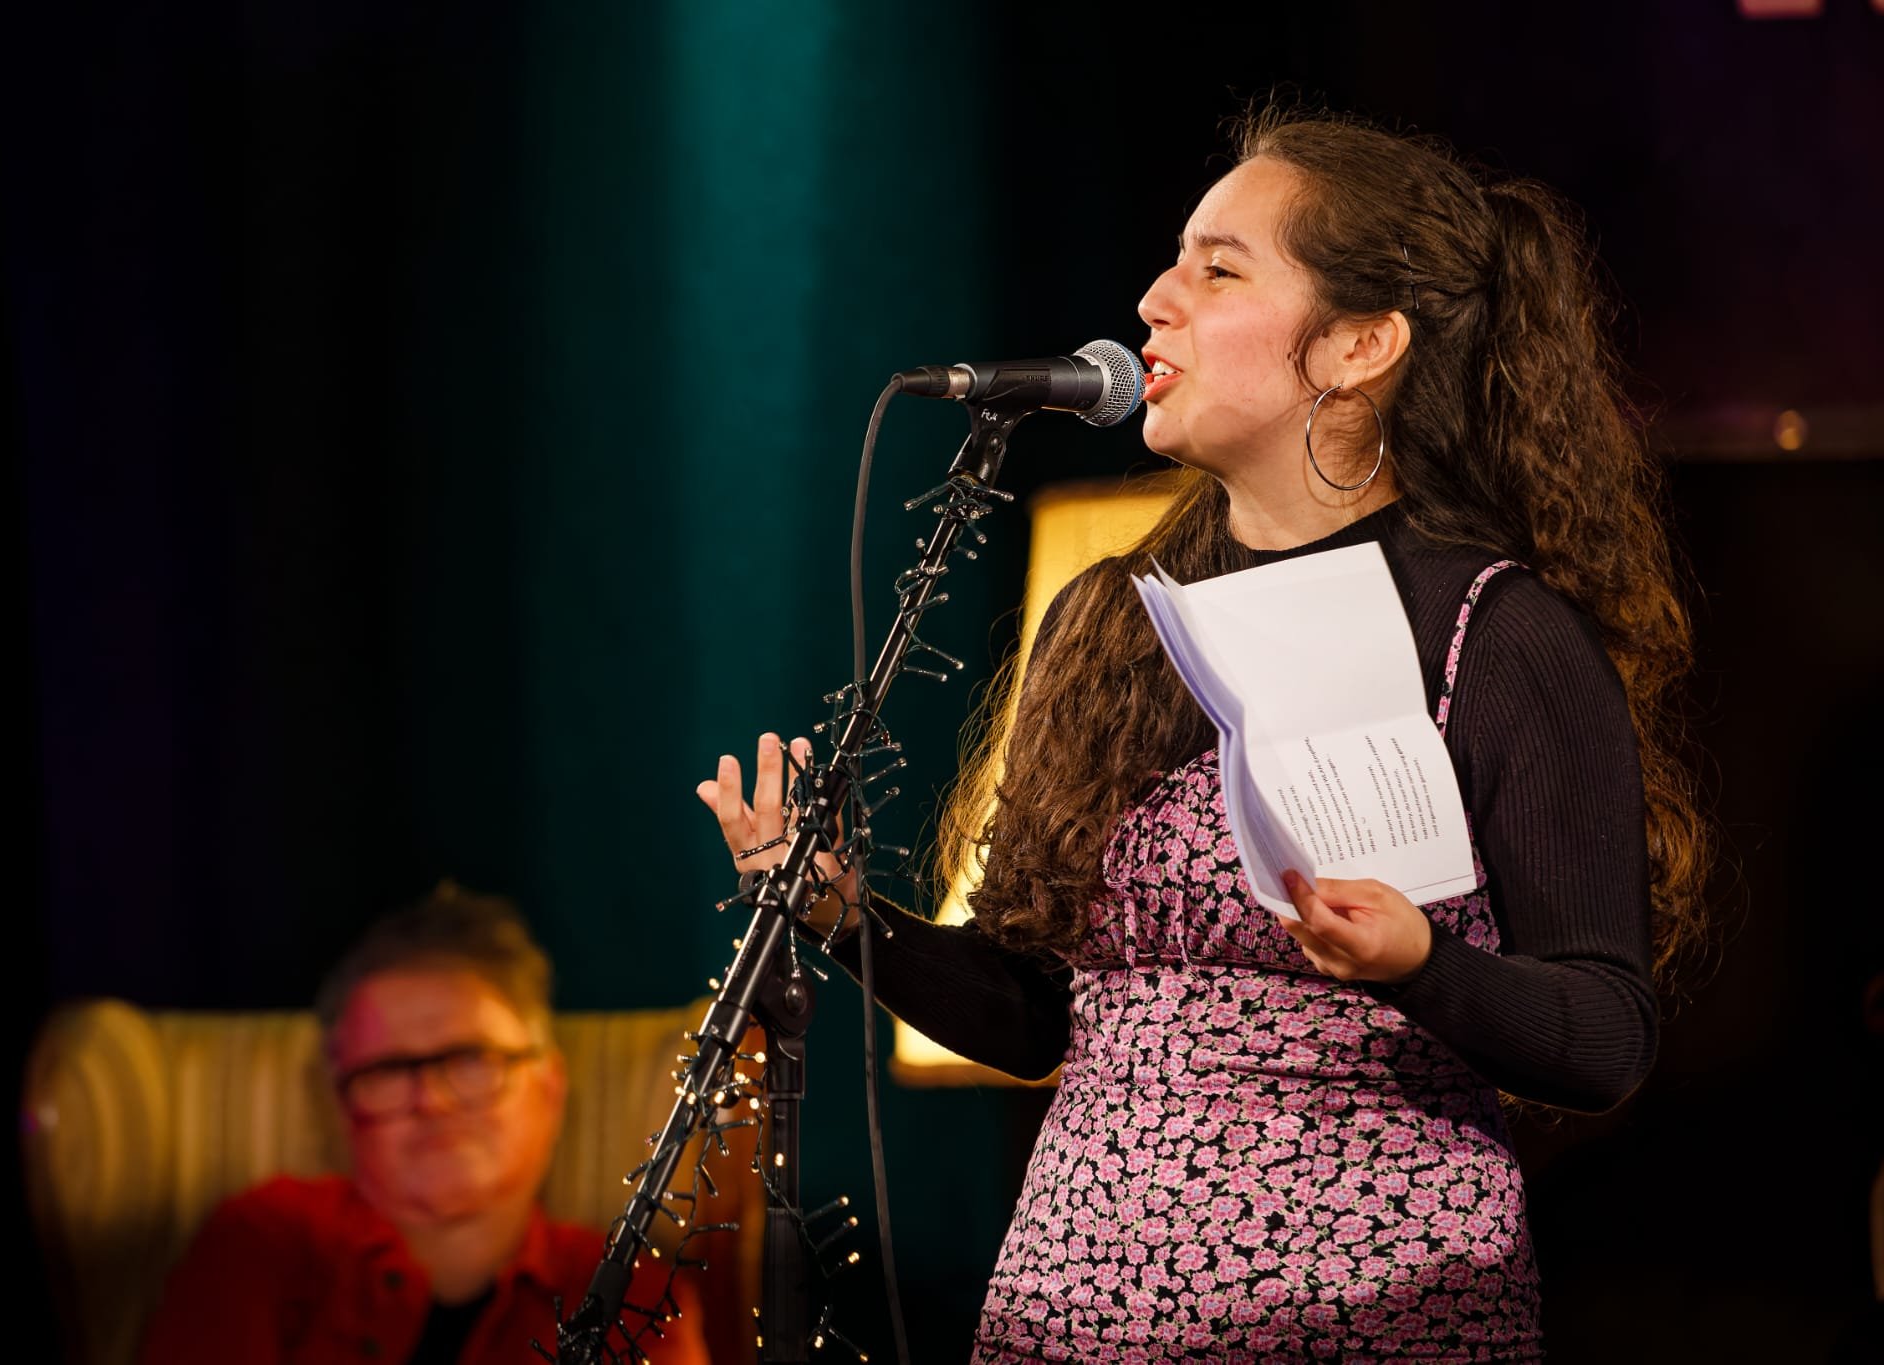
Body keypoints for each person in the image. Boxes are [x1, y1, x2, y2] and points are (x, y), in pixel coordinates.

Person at [700, 105, 1708, 1361]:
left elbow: (1604, 1037)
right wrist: (845, 914)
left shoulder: (1490, 635)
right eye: (1172, 261)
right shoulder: (1107, 622)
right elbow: (1042, 1016)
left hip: (1362, 1318)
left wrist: (1418, 963)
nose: (1151, 301)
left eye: (1217, 270)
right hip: (1068, 1315)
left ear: (1357, 345)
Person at [138, 883, 709, 1365]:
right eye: (387, 1069)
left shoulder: (632, 1291)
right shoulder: (260, 1245)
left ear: (549, 1088)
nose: (431, 1100)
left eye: (470, 1059)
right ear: (338, 1107)